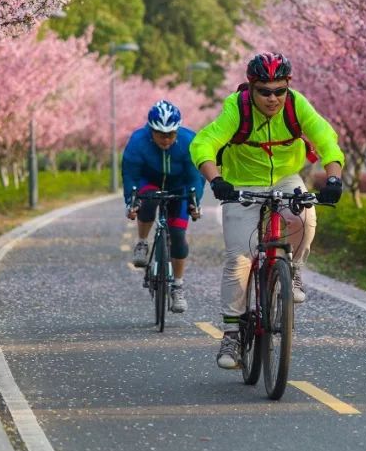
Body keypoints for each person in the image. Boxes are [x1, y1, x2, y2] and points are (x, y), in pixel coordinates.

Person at [190, 52, 344, 369]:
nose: (272, 98)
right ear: (251, 87)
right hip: (240, 183)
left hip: (285, 177)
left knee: (305, 214)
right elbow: (204, 143)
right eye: (264, 91)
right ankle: (232, 332)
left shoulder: (297, 105)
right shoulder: (237, 108)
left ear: (288, 86)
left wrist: (333, 178)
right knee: (240, 258)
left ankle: (295, 271)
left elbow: (326, 139)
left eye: (279, 90)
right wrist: (216, 179)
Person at [122, 100, 204, 314]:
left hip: (180, 186)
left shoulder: (189, 141)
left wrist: (195, 203)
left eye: (171, 134)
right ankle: (142, 242)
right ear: (151, 131)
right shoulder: (138, 141)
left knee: (178, 235)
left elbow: (195, 177)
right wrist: (131, 202)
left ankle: (178, 286)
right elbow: (130, 174)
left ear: (177, 131)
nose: (166, 139)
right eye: (161, 134)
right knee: (147, 201)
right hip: (149, 181)